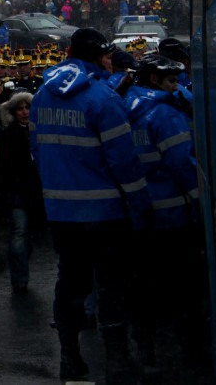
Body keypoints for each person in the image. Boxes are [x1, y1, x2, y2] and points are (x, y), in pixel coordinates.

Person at [30, 27, 152, 382]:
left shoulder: (41, 95)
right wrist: (140, 204)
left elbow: (37, 152)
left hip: (62, 213)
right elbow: (125, 163)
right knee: (110, 286)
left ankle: (70, 358)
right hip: (105, 213)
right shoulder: (102, 99)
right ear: (100, 56)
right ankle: (117, 359)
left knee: (69, 282)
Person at [124, 53, 203, 373]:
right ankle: (191, 356)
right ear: (155, 80)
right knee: (184, 290)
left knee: (143, 289)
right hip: (173, 217)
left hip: (138, 215)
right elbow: (182, 163)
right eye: (171, 80)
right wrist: (198, 199)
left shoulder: (124, 106)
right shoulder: (165, 113)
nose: (176, 86)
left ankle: (145, 351)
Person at [0, 91, 43, 293]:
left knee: (31, 235)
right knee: (19, 233)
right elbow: (2, 166)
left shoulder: (40, 132)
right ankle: (19, 279)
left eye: (27, 108)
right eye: (20, 109)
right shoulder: (7, 135)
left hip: (37, 190)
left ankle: (21, 262)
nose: (24, 112)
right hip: (16, 190)